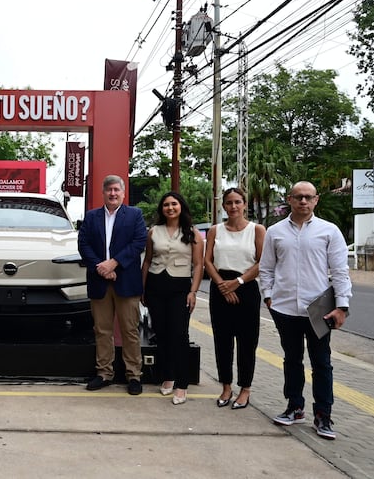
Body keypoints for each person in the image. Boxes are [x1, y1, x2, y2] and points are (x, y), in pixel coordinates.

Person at [260, 181, 351, 440]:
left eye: (308, 197)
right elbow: (266, 268)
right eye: (298, 197)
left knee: (321, 363)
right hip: (285, 308)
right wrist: (268, 297)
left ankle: (323, 415)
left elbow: (341, 271)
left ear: (316, 200)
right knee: (291, 359)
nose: (303, 201)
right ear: (289, 199)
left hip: (319, 310)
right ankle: (294, 406)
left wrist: (342, 306)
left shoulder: (329, 231)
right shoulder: (275, 232)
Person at [78, 175, 147, 394]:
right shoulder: (91, 217)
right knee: (102, 330)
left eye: (116, 190)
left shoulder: (134, 215)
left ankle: (134, 375)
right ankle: (104, 373)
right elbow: (83, 244)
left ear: (123, 193)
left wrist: (114, 263)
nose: (113, 193)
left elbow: (139, 242)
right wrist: (102, 267)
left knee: (130, 330)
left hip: (126, 281)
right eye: (109, 190)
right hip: (100, 281)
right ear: (103, 193)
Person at [203, 188, 266, 410]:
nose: (233, 206)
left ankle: (245, 389)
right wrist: (222, 285)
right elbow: (207, 261)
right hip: (220, 286)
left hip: (246, 287)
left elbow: (261, 263)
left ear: (244, 204)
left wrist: (237, 283)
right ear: (224, 206)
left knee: (247, 341)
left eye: (237, 202)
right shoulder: (214, 230)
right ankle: (226, 386)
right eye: (229, 202)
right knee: (222, 341)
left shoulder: (257, 230)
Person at [141, 191, 203, 405]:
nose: (170, 208)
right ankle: (167, 376)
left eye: (174, 204)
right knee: (162, 333)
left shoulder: (193, 233)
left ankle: (182, 384)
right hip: (156, 285)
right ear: (162, 209)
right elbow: (148, 261)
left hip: (180, 288)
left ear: (181, 207)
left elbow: (198, 265)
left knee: (179, 334)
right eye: (166, 205)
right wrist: (143, 288)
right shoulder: (153, 232)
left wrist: (193, 291)